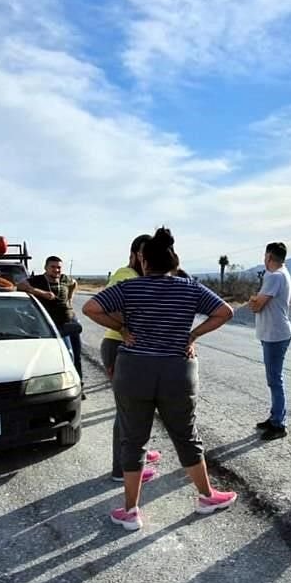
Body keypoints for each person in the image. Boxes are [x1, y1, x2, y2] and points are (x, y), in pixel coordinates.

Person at [82, 227, 238, 531]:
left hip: (133, 370)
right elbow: (225, 311)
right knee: (185, 435)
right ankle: (206, 496)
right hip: (176, 371)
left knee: (133, 439)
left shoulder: (130, 288)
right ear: (173, 261)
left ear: (144, 260)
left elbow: (90, 307)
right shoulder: (190, 287)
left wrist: (125, 329)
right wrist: (191, 335)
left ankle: (131, 510)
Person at [101, 234, 163, 484]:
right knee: (126, 411)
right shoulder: (124, 275)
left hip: (129, 348)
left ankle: (138, 455)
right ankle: (121, 469)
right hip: (118, 346)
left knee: (137, 407)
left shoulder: (138, 277)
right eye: (146, 254)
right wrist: (124, 327)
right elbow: (103, 306)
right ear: (137, 254)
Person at [248, 242, 291, 441]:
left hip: (275, 335)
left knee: (275, 379)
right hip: (273, 333)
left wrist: (253, 301)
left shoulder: (274, 276)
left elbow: (257, 306)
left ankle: (279, 424)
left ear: (268, 257)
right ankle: (275, 416)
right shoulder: (282, 273)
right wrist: (256, 301)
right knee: (274, 378)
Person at [19, 256, 84, 391]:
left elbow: (74, 283)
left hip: (70, 321)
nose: (56, 270)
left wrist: (70, 298)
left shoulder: (65, 279)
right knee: (66, 355)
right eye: (53, 267)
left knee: (76, 355)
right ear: (46, 268)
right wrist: (40, 293)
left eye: (59, 267)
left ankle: (79, 385)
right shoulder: (37, 280)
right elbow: (20, 286)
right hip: (52, 325)